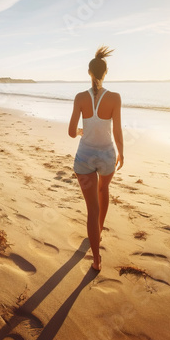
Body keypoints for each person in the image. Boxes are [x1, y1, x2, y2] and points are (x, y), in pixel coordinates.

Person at [68, 46, 123, 271]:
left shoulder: (80, 97)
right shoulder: (115, 98)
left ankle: (96, 259)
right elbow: (117, 130)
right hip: (108, 155)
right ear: (106, 72)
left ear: (89, 72)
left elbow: (72, 132)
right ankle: (98, 232)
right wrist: (122, 152)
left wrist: (82, 131)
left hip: (84, 158)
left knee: (92, 208)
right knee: (104, 192)